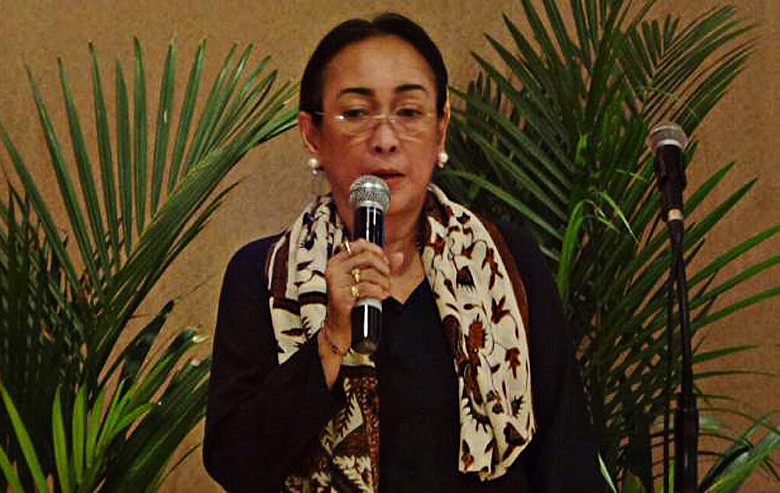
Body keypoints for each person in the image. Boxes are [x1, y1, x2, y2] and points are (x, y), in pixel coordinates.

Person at [203, 12, 602, 492]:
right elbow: (234, 463)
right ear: (312, 133)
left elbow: (566, 454)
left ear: (441, 129)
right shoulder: (263, 276)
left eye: (409, 113)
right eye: (355, 114)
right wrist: (331, 338)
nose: (386, 140)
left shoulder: (504, 261)